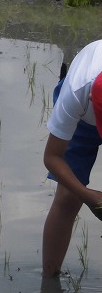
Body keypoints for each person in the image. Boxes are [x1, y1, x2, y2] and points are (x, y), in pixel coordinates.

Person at [42, 41, 102, 277]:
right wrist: (87, 195)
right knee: (68, 197)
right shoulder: (77, 90)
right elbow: (51, 157)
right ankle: (49, 283)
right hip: (81, 124)